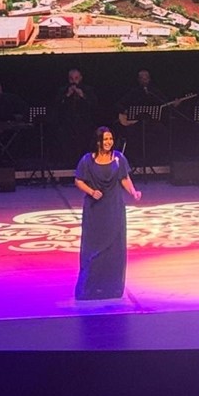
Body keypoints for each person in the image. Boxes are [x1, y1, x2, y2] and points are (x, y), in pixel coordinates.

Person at [73, 126, 141, 300]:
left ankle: (112, 288)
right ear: (98, 142)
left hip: (114, 208)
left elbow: (124, 178)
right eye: (105, 139)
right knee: (93, 248)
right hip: (95, 210)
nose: (109, 142)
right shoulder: (87, 160)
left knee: (114, 248)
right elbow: (78, 181)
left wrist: (133, 192)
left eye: (110, 139)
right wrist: (91, 191)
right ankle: (90, 289)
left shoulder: (118, 158)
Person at [53, 67, 99, 164]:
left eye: (76, 78)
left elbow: (95, 105)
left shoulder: (88, 89)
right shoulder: (63, 90)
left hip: (84, 124)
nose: (74, 81)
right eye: (71, 79)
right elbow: (56, 106)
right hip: (67, 124)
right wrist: (67, 95)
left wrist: (83, 96)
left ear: (80, 78)